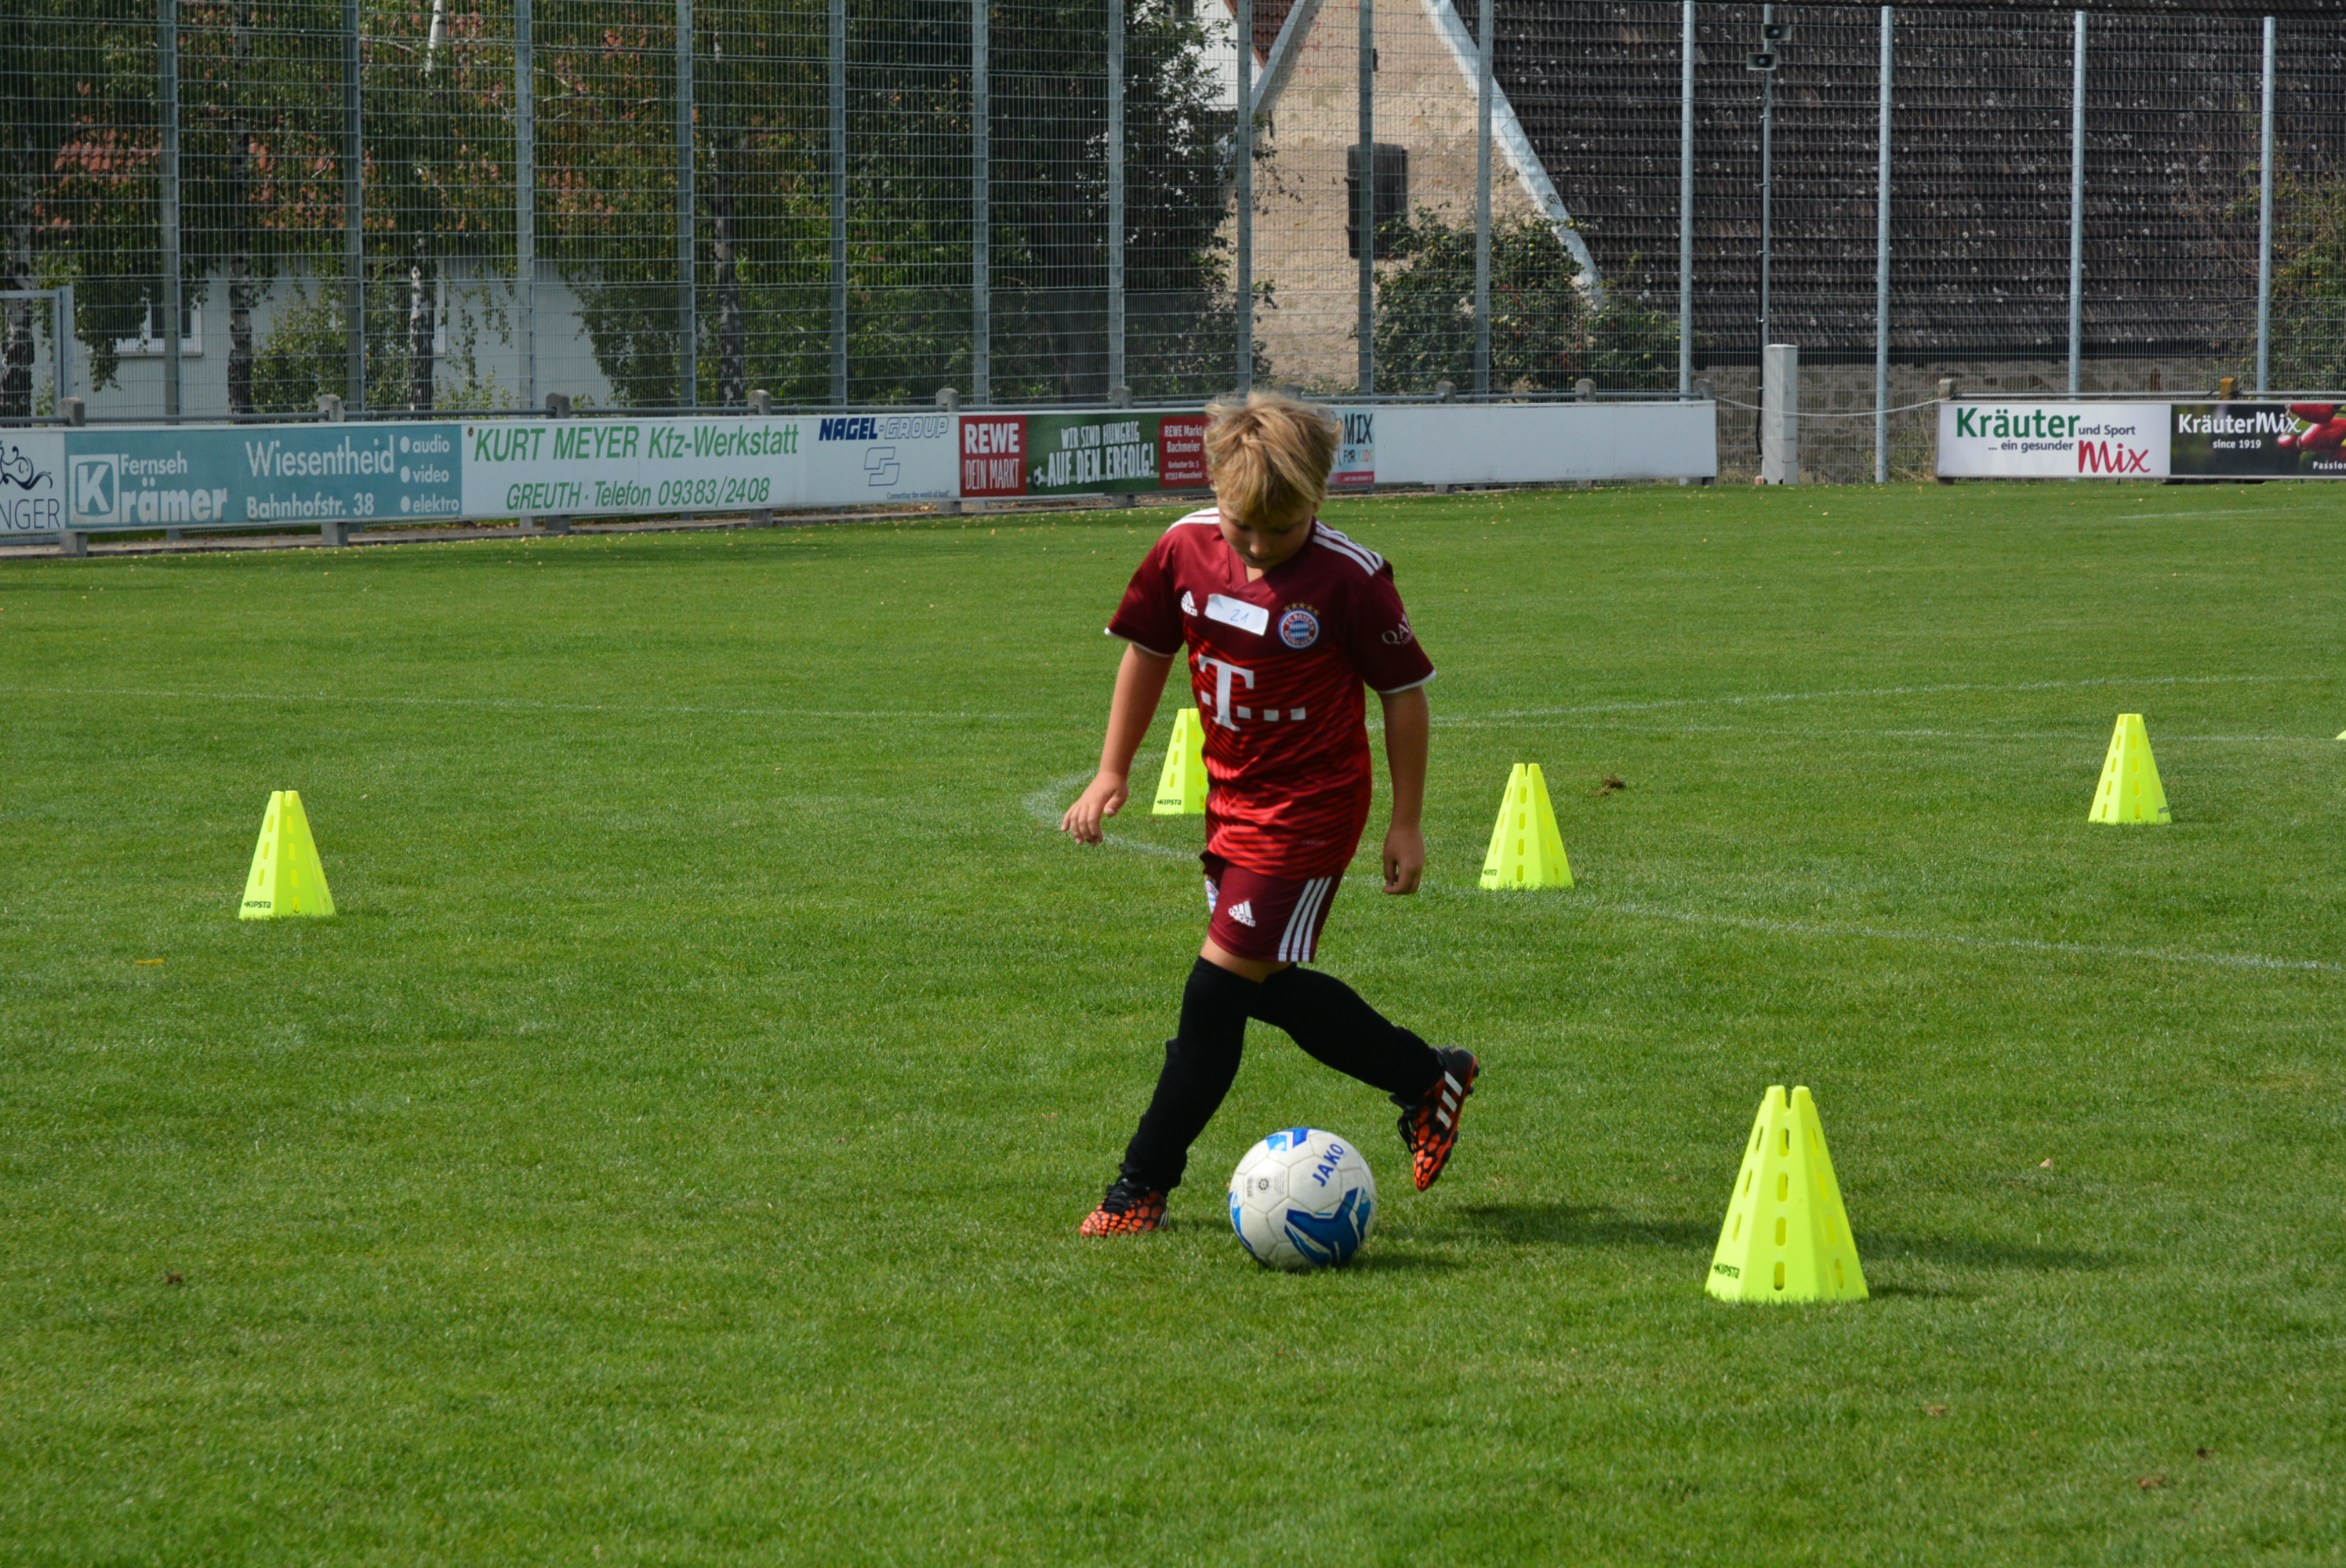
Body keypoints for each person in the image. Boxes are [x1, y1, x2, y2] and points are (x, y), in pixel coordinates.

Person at [1060, 390, 1480, 1236]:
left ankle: (1138, 1186)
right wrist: (1112, 768)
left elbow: (1403, 694)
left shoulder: (1349, 578)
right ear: (1216, 486)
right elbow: (1147, 652)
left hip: (1311, 808)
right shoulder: (1184, 546)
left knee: (1213, 995)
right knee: (1266, 985)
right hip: (1231, 800)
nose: (1254, 548)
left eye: (1277, 533)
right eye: (1240, 526)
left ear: (1317, 501)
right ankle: (1428, 1074)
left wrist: (1406, 821)